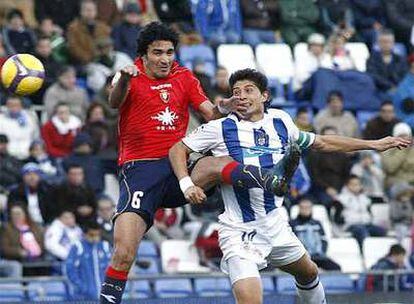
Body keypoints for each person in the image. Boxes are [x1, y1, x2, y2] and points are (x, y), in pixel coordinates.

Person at [169, 68, 409, 304]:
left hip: (275, 225)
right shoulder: (220, 128)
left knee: (309, 273)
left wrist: (374, 144)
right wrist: (186, 183)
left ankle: (275, 180)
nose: (241, 95)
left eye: (249, 90)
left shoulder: (281, 122)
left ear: (264, 96)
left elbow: (322, 142)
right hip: (240, 230)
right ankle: (270, 179)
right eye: (236, 91)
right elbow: (178, 149)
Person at [99, 21, 249, 304]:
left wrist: (223, 108)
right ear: (143, 55)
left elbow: (209, 114)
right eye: (158, 53)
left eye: (170, 52)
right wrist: (123, 79)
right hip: (140, 171)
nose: (165, 59)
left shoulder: (184, 77)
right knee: (124, 253)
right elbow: (113, 101)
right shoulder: (129, 74)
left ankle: (262, 186)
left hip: (179, 164)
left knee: (219, 164)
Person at [336, 175, 386, 250]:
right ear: (347, 185)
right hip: (351, 225)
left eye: (358, 184)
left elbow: (370, 213)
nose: (356, 186)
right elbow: (337, 218)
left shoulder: (365, 198)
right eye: (353, 184)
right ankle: (364, 254)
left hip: (366, 224)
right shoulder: (341, 199)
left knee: (381, 231)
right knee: (362, 231)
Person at [290, 198, 340, 271]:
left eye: (308, 207)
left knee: (336, 268)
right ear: (299, 208)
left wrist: (321, 252)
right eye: (303, 207)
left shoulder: (317, 223)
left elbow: (324, 240)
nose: (305, 210)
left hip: (318, 256)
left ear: (311, 208)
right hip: (301, 258)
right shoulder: (292, 223)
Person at [66, 221, 111, 300]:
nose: (95, 238)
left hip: (104, 296)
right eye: (92, 235)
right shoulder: (78, 247)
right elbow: (70, 270)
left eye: (97, 235)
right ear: (85, 234)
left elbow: (110, 268)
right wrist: (83, 288)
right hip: (83, 297)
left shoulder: (105, 246)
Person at [0, 96, 40, 160]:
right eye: (11, 105)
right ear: (6, 106)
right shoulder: (1, 119)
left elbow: (36, 136)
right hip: (8, 156)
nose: (13, 108)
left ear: (21, 106)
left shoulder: (30, 118)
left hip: (28, 154)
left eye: (16, 105)